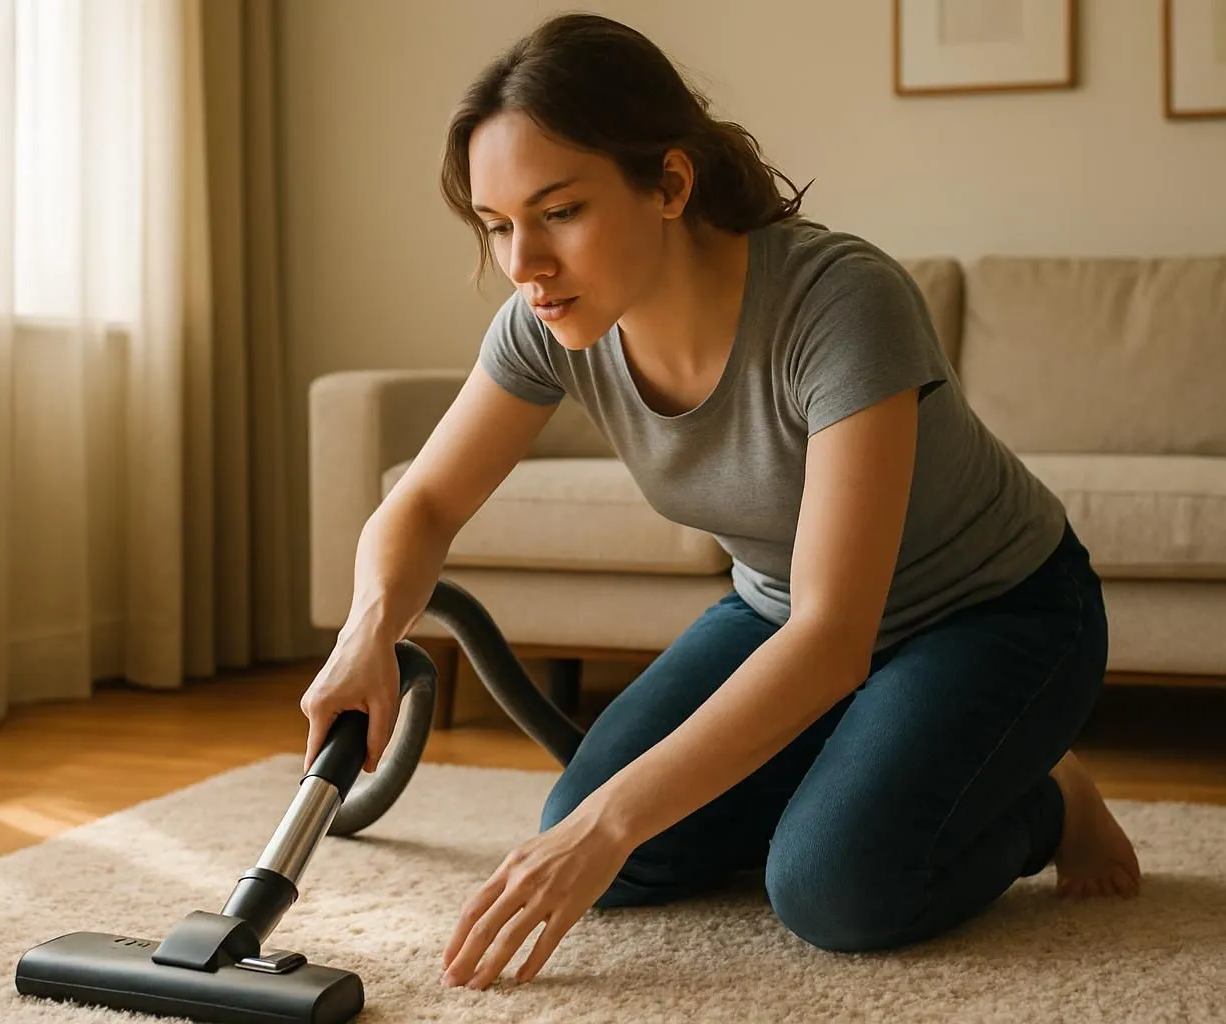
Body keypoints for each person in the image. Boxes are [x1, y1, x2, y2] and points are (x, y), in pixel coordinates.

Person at [299, 11, 1142, 994]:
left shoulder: (838, 303)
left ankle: (1043, 796)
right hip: (781, 610)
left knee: (832, 888)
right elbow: (426, 502)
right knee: (611, 848)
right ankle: (875, 753)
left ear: (668, 183)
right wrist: (368, 629)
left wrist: (612, 821)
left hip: (998, 615)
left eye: (559, 211)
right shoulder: (547, 322)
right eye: (497, 227)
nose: (523, 263)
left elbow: (833, 638)